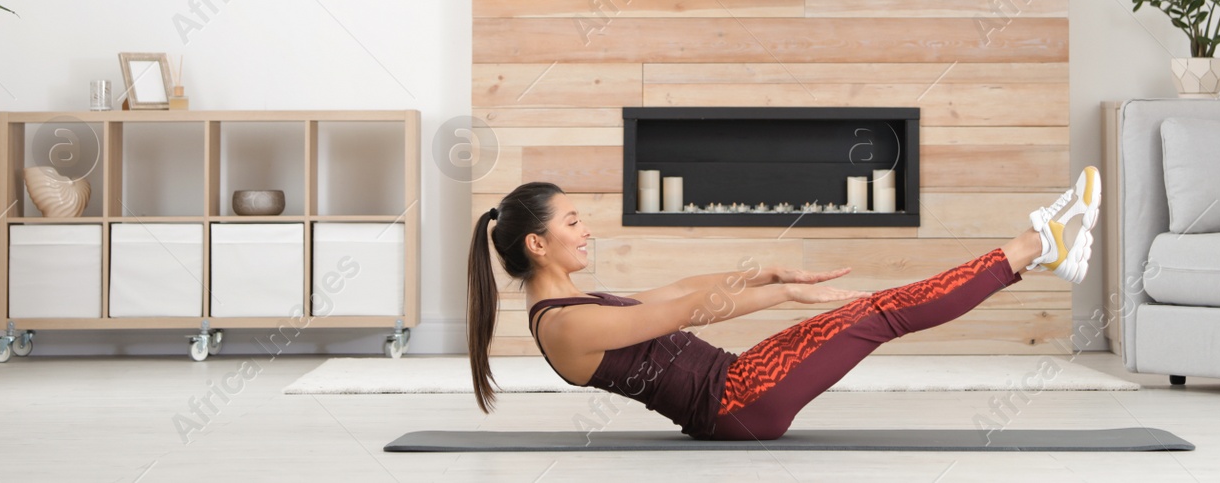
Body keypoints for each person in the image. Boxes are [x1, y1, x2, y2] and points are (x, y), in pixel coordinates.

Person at [466, 169, 1101, 441]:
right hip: (739, 403)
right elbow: (682, 313)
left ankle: (1041, 253)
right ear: (537, 242)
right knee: (880, 314)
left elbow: (680, 292)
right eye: (574, 222)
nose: (587, 231)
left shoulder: (573, 305)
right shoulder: (566, 327)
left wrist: (768, 276)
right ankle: (1031, 246)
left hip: (738, 385)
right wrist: (783, 293)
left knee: (877, 307)